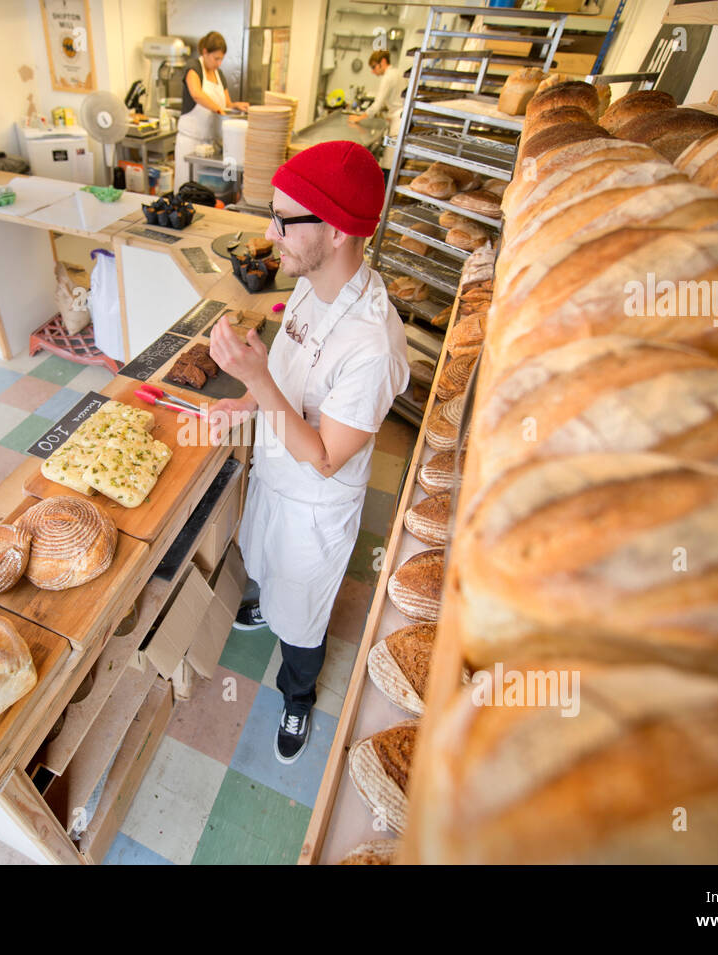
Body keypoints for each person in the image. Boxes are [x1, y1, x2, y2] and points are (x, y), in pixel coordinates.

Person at [207, 141, 410, 764]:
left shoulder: (373, 345)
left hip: (314, 504)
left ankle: (297, 696)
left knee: (303, 619)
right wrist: (246, 398)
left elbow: (326, 456)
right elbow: (290, 372)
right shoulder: (311, 281)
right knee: (264, 567)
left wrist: (257, 382)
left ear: (340, 230)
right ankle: (268, 607)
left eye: (284, 220)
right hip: (275, 479)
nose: (270, 234)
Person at [173, 31, 249, 189]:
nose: (219, 63)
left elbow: (226, 103)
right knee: (187, 187)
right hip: (191, 142)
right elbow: (196, 94)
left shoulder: (219, 74)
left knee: (207, 191)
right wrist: (218, 109)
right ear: (205, 52)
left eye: (222, 58)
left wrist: (236, 106)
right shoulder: (193, 68)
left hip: (210, 145)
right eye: (216, 58)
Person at [348, 49, 407, 179]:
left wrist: (360, 118)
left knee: (389, 162)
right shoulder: (398, 72)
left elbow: (377, 104)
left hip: (399, 120)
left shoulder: (388, 76)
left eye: (374, 67)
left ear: (383, 62)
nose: (373, 71)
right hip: (400, 117)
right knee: (395, 161)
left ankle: (385, 192)